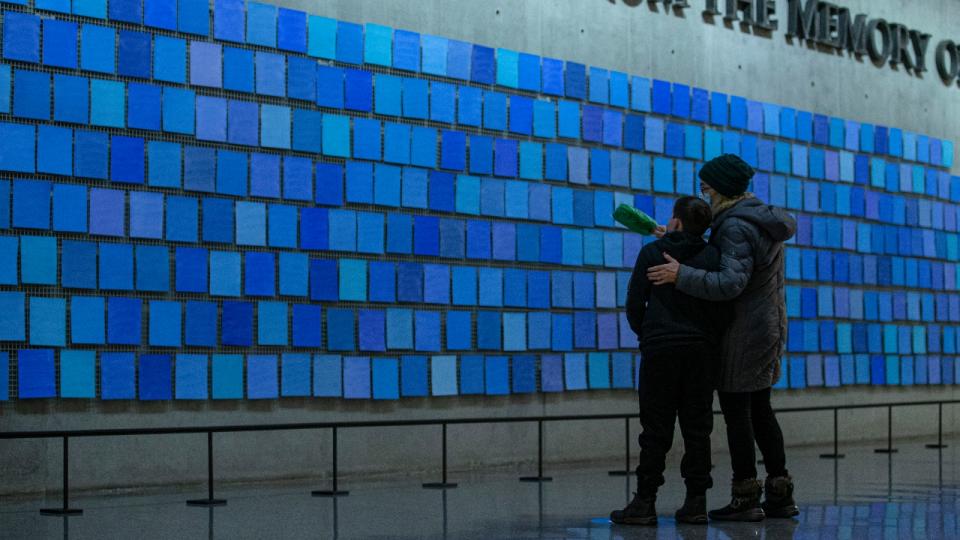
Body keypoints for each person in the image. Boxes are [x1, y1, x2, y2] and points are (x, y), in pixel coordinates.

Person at [647, 153, 799, 522]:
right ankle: (780, 493)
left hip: (744, 330)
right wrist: (679, 239)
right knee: (760, 409)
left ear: (723, 189)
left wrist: (681, 275)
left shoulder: (734, 226)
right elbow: (727, 260)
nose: (705, 196)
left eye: (707, 189)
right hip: (766, 325)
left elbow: (730, 282)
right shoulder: (757, 218)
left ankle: (746, 497)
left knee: (738, 414)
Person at [610, 196, 727, 526]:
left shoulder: (652, 253)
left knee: (655, 429)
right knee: (698, 428)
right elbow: (722, 307)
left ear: (675, 221)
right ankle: (696, 502)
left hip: (660, 350)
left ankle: (644, 502)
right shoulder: (713, 256)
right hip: (700, 352)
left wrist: (648, 334)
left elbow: (635, 303)